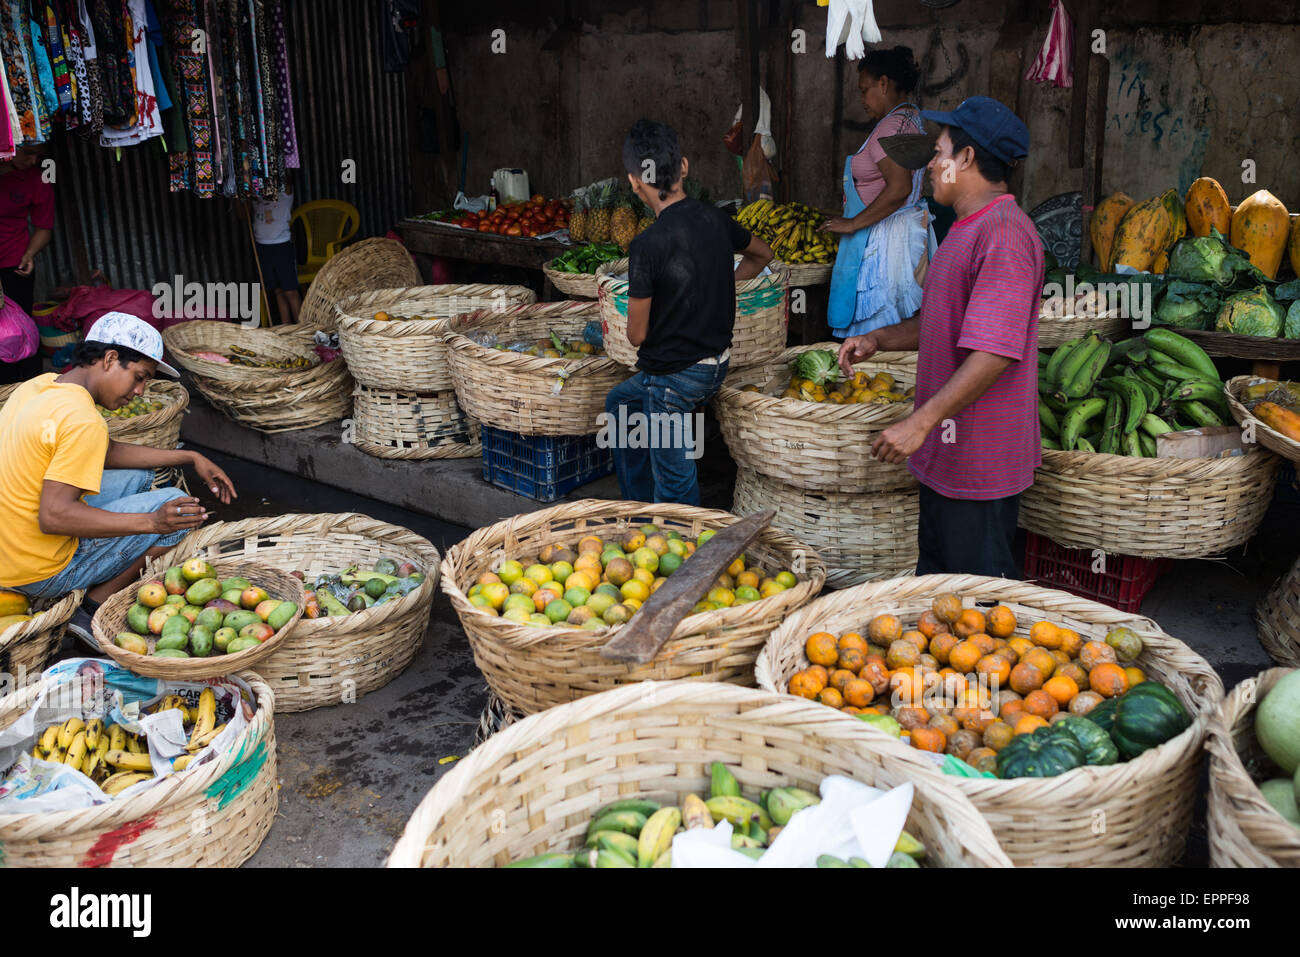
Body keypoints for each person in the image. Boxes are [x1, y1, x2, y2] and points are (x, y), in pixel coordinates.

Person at [837, 97, 1042, 579]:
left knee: (980, 613)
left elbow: (993, 352)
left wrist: (919, 423)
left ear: (966, 159)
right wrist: (879, 340)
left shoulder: (1005, 235)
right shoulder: (965, 229)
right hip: (947, 458)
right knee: (938, 602)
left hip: (979, 464)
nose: (930, 164)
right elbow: (947, 322)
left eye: (939, 151)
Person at [0, 312, 237, 643]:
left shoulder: (39, 387)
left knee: (136, 476)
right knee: (175, 506)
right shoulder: (82, 419)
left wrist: (190, 456)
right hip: (40, 570)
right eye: (139, 377)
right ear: (110, 359)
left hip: (9, 552)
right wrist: (152, 522)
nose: (139, 391)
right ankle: (92, 607)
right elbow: (54, 516)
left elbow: (104, 451)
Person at [604, 119, 773, 505]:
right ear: (683, 166)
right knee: (620, 403)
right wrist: (724, 284)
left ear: (634, 181)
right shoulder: (715, 218)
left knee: (676, 484)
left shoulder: (647, 245)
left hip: (673, 381)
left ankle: (680, 535)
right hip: (717, 365)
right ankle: (640, 507)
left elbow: (636, 336)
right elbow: (763, 254)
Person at [820, 46, 935, 340]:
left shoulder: (891, 126)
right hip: (903, 230)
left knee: (877, 329)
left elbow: (899, 188)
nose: (862, 100)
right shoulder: (910, 118)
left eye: (864, 90)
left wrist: (853, 223)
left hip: (887, 239)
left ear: (883, 83)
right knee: (896, 325)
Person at [0, 144, 53, 384]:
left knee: (20, 328)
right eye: (28, 153)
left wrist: (30, 253)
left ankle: (30, 383)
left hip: (15, 265)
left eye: (38, 156)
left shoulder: (36, 179)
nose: (33, 160)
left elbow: (44, 227)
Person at [250, 180, 300, 325]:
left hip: (281, 245)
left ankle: (302, 327)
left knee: (290, 290)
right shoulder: (255, 192)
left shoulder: (284, 190)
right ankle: (285, 326)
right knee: (277, 290)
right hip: (262, 246)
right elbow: (242, 213)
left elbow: (287, 179)